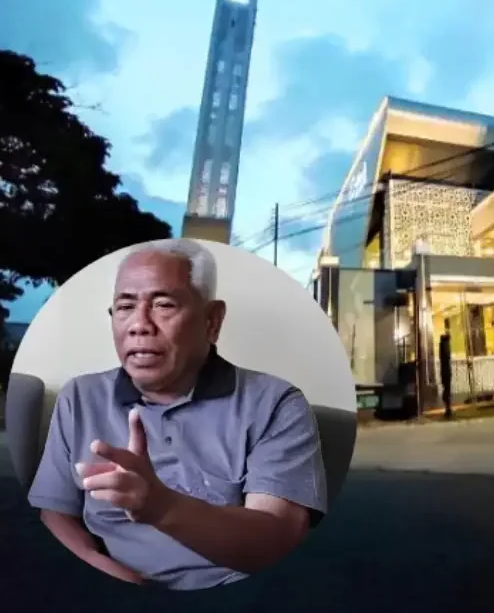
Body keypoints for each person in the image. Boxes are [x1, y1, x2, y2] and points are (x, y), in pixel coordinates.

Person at [27, 239, 327, 590]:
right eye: (125, 307)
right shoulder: (80, 397)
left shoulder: (275, 404)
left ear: (212, 321)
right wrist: (98, 565)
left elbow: (278, 540)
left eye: (163, 304)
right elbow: (54, 511)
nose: (139, 325)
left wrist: (162, 507)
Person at [438, 321, 453, 420]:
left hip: (444, 371)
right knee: (447, 390)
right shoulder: (445, 345)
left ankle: (448, 409)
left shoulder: (442, 345)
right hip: (446, 371)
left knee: (446, 390)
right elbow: (447, 356)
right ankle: (448, 409)